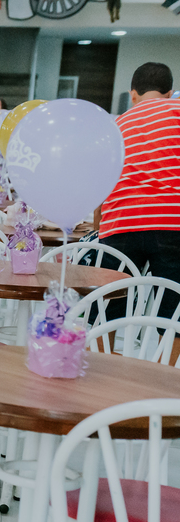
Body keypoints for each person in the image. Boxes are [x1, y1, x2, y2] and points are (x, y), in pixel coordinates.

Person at [94, 61, 180, 357]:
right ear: (169, 92)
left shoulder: (116, 124)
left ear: (133, 94)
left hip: (121, 221)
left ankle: (104, 364)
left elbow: (101, 181)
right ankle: (165, 372)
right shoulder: (177, 111)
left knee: (109, 302)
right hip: (172, 223)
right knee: (174, 308)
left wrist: (100, 225)